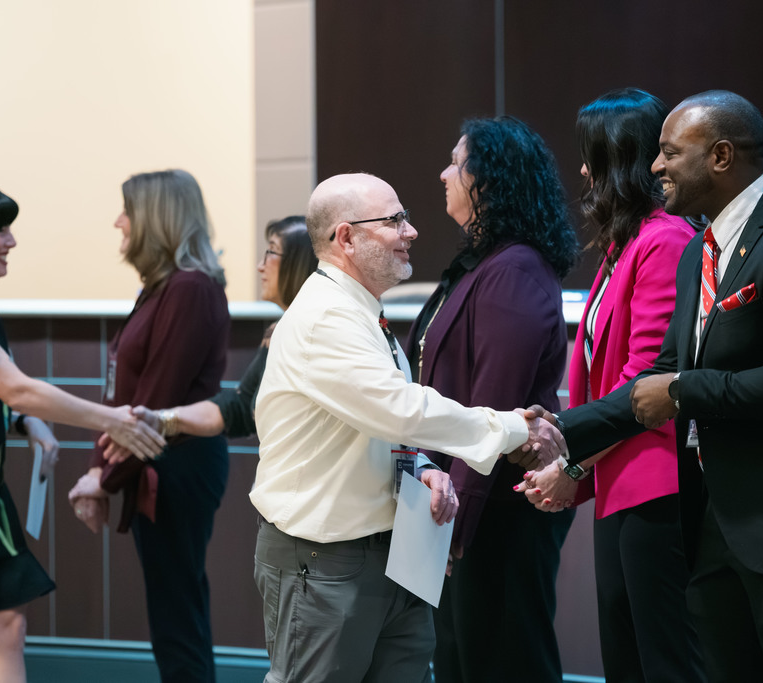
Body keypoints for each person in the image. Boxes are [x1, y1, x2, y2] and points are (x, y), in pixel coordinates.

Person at [536, 90, 763, 682]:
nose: (655, 167)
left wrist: (684, 392)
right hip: (717, 519)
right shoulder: (698, 252)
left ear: (722, 156)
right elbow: (659, 373)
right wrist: (559, 429)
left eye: (670, 153)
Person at [249, 172, 563, 683]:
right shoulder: (325, 317)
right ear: (346, 237)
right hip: (324, 564)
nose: (411, 231)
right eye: (394, 220)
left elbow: (374, 427)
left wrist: (418, 466)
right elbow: (400, 409)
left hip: (390, 557)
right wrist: (511, 428)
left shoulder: (361, 313)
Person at [0, 179, 164, 683]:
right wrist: (114, 418)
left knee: (7, 626)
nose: (11, 241)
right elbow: (19, 388)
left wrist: (25, 421)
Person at [514, 89, 704, 682]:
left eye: (590, 156)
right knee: (626, 661)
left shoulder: (665, 239)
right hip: (621, 479)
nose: (581, 172)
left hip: (657, 481)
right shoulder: (624, 244)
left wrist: (569, 463)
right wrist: (580, 470)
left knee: (664, 661)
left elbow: (640, 384)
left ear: (617, 161)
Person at [406, 116, 578, 683]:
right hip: (461, 496)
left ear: (492, 179)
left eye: (457, 163)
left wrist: (457, 524)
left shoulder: (515, 270)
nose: (444, 173)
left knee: (502, 662)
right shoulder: (484, 264)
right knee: (460, 660)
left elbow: (493, 412)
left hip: (494, 510)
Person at [70, 169, 230, 683]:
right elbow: (123, 398)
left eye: (128, 211)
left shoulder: (189, 289)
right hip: (152, 463)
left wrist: (101, 479)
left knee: (177, 615)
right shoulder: (164, 288)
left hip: (174, 470)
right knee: (172, 612)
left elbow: (152, 404)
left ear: (155, 219)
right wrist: (101, 472)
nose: (119, 221)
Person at [85, 215, 316, 456]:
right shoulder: (278, 329)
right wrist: (161, 420)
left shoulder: (314, 334)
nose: (260, 265)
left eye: (272, 252)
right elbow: (239, 406)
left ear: (299, 262)